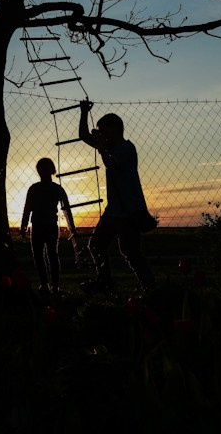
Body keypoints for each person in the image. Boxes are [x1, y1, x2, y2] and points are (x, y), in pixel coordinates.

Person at [78, 100, 156, 295]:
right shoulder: (110, 146)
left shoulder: (125, 148)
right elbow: (83, 136)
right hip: (114, 211)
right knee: (96, 244)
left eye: (104, 131)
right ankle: (105, 282)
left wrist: (102, 147)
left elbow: (111, 165)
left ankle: (150, 287)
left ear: (115, 130)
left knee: (131, 252)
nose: (102, 135)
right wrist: (84, 113)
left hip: (128, 211)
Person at [20, 157, 76, 297]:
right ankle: (51, 286)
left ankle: (47, 285)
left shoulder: (35, 188)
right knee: (50, 255)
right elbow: (67, 209)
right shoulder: (56, 188)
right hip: (48, 225)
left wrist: (23, 225)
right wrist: (72, 227)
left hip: (40, 225)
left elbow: (27, 209)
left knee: (42, 255)